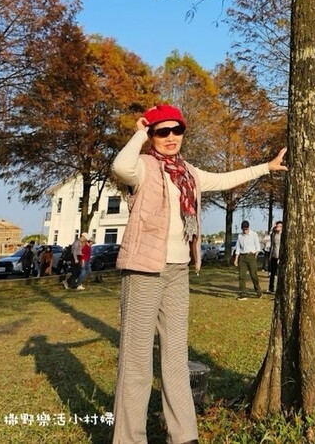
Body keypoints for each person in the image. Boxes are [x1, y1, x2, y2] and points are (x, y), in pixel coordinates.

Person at [111, 103, 287, 444]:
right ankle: (128, 438)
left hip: (178, 272)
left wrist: (266, 167)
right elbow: (120, 165)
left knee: (176, 357)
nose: (171, 137)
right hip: (144, 271)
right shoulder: (144, 167)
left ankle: (184, 436)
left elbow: (224, 180)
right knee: (136, 362)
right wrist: (138, 132)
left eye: (177, 130)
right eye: (162, 131)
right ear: (152, 135)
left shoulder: (188, 172)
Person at [233, 220, 262, 299]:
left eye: (246, 229)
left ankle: (258, 290)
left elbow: (257, 246)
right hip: (242, 257)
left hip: (251, 256)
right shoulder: (240, 236)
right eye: (243, 229)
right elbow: (238, 248)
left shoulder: (254, 234)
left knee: (253, 275)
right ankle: (243, 293)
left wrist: (255, 255)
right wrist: (236, 259)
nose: (245, 231)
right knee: (242, 275)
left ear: (249, 228)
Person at [268, 220, 283, 294]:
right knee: (272, 273)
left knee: (280, 273)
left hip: (280, 256)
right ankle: (271, 288)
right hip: (274, 256)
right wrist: (274, 226)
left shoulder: (283, 235)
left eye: (280, 226)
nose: (278, 228)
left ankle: (280, 288)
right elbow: (270, 232)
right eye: (277, 226)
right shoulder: (273, 234)